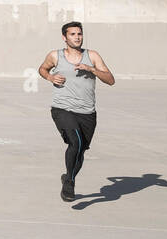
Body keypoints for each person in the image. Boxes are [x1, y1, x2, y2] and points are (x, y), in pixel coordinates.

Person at [38, 21, 114, 202]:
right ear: (64, 37)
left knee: (80, 150)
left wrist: (91, 69)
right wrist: (50, 77)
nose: (77, 37)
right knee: (75, 142)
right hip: (62, 108)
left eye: (79, 34)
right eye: (72, 34)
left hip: (87, 112)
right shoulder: (55, 56)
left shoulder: (92, 56)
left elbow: (110, 80)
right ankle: (70, 183)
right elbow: (42, 69)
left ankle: (68, 176)